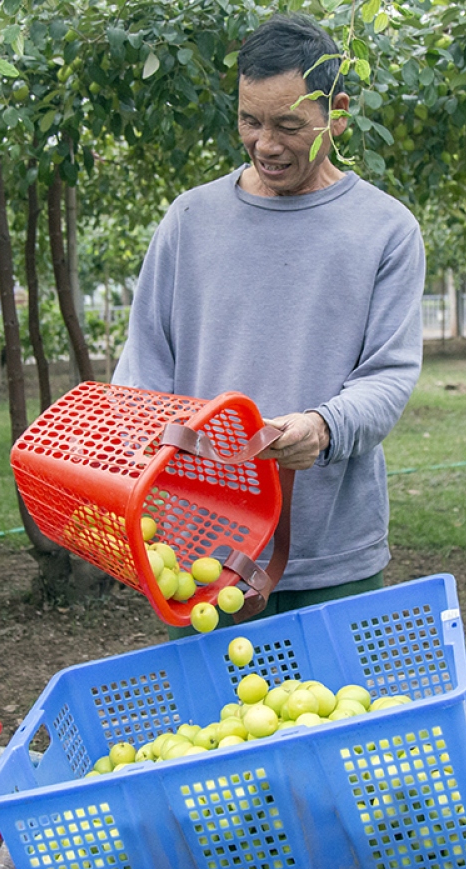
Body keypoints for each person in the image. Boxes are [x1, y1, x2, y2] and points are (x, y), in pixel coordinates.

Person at [111, 12, 425, 634]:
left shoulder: (386, 231)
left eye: (287, 125)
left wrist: (325, 425)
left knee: (341, 722)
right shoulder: (190, 220)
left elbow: (388, 376)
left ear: (336, 113)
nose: (265, 144)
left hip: (333, 550)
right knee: (218, 729)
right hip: (201, 553)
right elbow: (142, 370)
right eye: (249, 121)